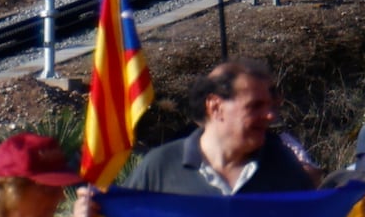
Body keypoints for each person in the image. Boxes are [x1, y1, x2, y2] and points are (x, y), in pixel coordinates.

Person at [120, 62, 323, 196]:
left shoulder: (282, 164)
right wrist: (92, 213)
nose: (270, 115)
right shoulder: (161, 167)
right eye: (255, 106)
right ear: (215, 107)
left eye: (270, 105)